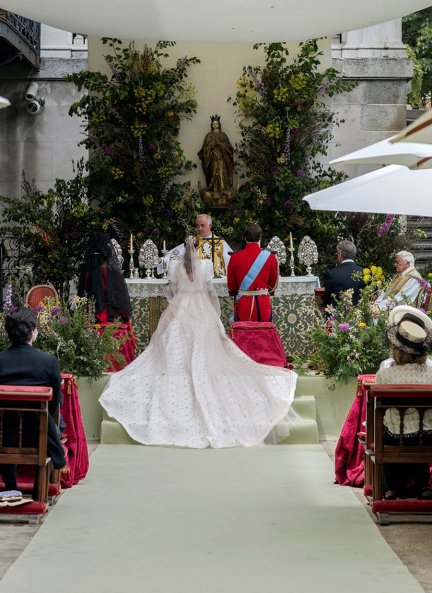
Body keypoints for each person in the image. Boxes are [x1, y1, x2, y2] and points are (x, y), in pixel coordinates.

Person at [100, 236, 297, 448]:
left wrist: (177, 304)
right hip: (202, 309)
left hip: (181, 308)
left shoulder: (175, 265)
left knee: (173, 342)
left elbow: (171, 293)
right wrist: (214, 313)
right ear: (198, 249)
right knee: (207, 345)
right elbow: (211, 292)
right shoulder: (206, 265)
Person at [0, 309, 66, 495]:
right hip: (37, 435)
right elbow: (54, 406)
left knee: (8, 422)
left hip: (2, 434)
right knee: (55, 423)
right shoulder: (48, 362)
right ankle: (40, 489)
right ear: (33, 331)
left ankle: (11, 486)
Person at [376, 305, 432, 500]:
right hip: (427, 437)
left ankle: (390, 486)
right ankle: (423, 484)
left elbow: (378, 404)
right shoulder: (431, 372)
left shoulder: (386, 372)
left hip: (394, 437)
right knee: (422, 429)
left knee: (384, 426)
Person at [227, 223, 278, 322]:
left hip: (243, 304)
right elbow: (273, 284)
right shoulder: (270, 257)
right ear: (260, 238)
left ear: (245, 238)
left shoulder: (235, 257)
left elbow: (231, 286)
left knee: (243, 335)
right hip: (263, 304)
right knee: (264, 334)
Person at [78, 231, 132, 324]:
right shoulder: (112, 272)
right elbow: (119, 295)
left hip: (91, 315)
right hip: (111, 316)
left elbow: (83, 292)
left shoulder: (87, 271)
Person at [160, 214, 232, 277]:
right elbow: (175, 255)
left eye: (202, 225)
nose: (199, 228)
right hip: (196, 283)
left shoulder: (220, 243)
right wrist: (162, 261)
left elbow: (230, 263)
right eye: (197, 225)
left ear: (210, 226)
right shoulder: (192, 242)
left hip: (217, 282)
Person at [322, 240, 365, 308]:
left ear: (340, 254)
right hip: (360, 315)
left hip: (336, 316)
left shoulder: (332, 274)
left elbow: (325, 299)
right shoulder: (364, 272)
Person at [198, 115, 234, 193]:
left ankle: (223, 188)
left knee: (221, 172)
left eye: (216, 124)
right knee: (214, 173)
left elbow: (229, 147)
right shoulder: (209, 135)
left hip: (221, 157)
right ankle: (213, 189)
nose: (215, 125)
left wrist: (221, 145)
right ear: (212, 125)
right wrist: (212, 144)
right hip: (212, 158)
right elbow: (205, 147)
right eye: (213, 124)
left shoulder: (223, 135)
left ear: (219, 124)